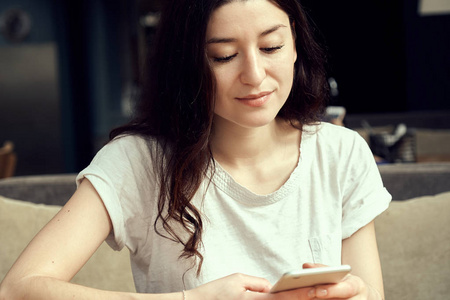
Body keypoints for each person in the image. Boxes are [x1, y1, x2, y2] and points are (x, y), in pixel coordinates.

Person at [0, 0, 391, 299]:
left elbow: (369, 292)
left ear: (294, 46)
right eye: (224, 56)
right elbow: (18, 289)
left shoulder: (341, 153)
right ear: (187, 63)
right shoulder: (139, 163)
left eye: (271, 46)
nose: (255, 75)